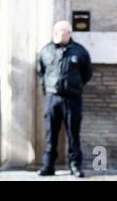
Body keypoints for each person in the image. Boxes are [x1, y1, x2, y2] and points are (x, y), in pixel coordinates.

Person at [37, 20, 93, 178]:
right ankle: (48, 166)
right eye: (55, 32)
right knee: (50, 134)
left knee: (73, 134)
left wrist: (74, 86)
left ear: (69, 33)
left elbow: (87, 73)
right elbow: (41, 71)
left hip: (72, 99)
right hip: (52, 98)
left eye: (61, 32)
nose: (57, 35)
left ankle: (75, 165)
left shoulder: (79, 51)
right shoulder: (46, 50)